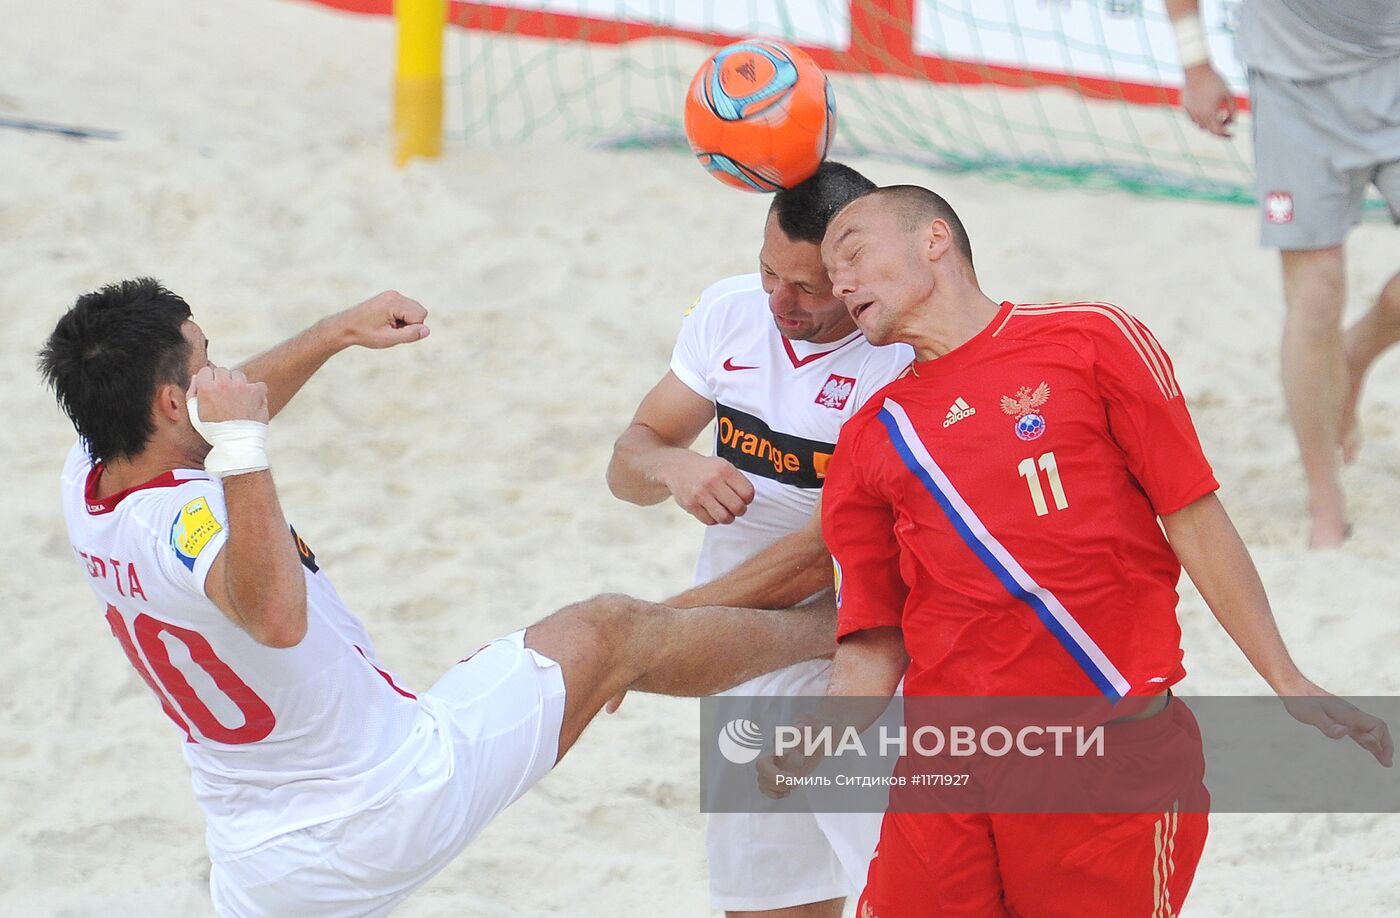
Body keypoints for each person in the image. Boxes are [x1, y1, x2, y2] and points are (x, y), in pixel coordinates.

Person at [38, 279, 840, 917]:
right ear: (174, 405)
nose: (230, 376)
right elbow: (276, 617)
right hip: (386, 796)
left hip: (260, 858)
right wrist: (245, 445)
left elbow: (205, 418)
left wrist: (332, 334)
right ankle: (839, 630)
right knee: (611, 631)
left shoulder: (93, 468)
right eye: (207, 361)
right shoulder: (191, 524)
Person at [759, 186, 1392, 916]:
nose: (839, 281)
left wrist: (1288, 679)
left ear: (935, 239)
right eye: (832, 272)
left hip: (1105, 759)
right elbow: (875, 637)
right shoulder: (874, 434)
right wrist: (816, 738)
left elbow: (1192, 514)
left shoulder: (1091, 338)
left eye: (853, 253)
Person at [607, 162, 913, 917]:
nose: (780, 301)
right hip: (745, 659)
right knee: (769, 904)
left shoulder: (901, 358)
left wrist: (665, 629)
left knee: (905, 894)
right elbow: (626, 463)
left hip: (862, 659)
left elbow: (824, 554)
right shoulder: (729, 312)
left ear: (857, 277)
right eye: (768, 271)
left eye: (806, 288)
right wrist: (671, 463)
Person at [1170, 0, 1400, 547]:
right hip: (1293, 85)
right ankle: (1326, 501)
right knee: (1317, 295)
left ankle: (1356, 350)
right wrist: (1194, 61)